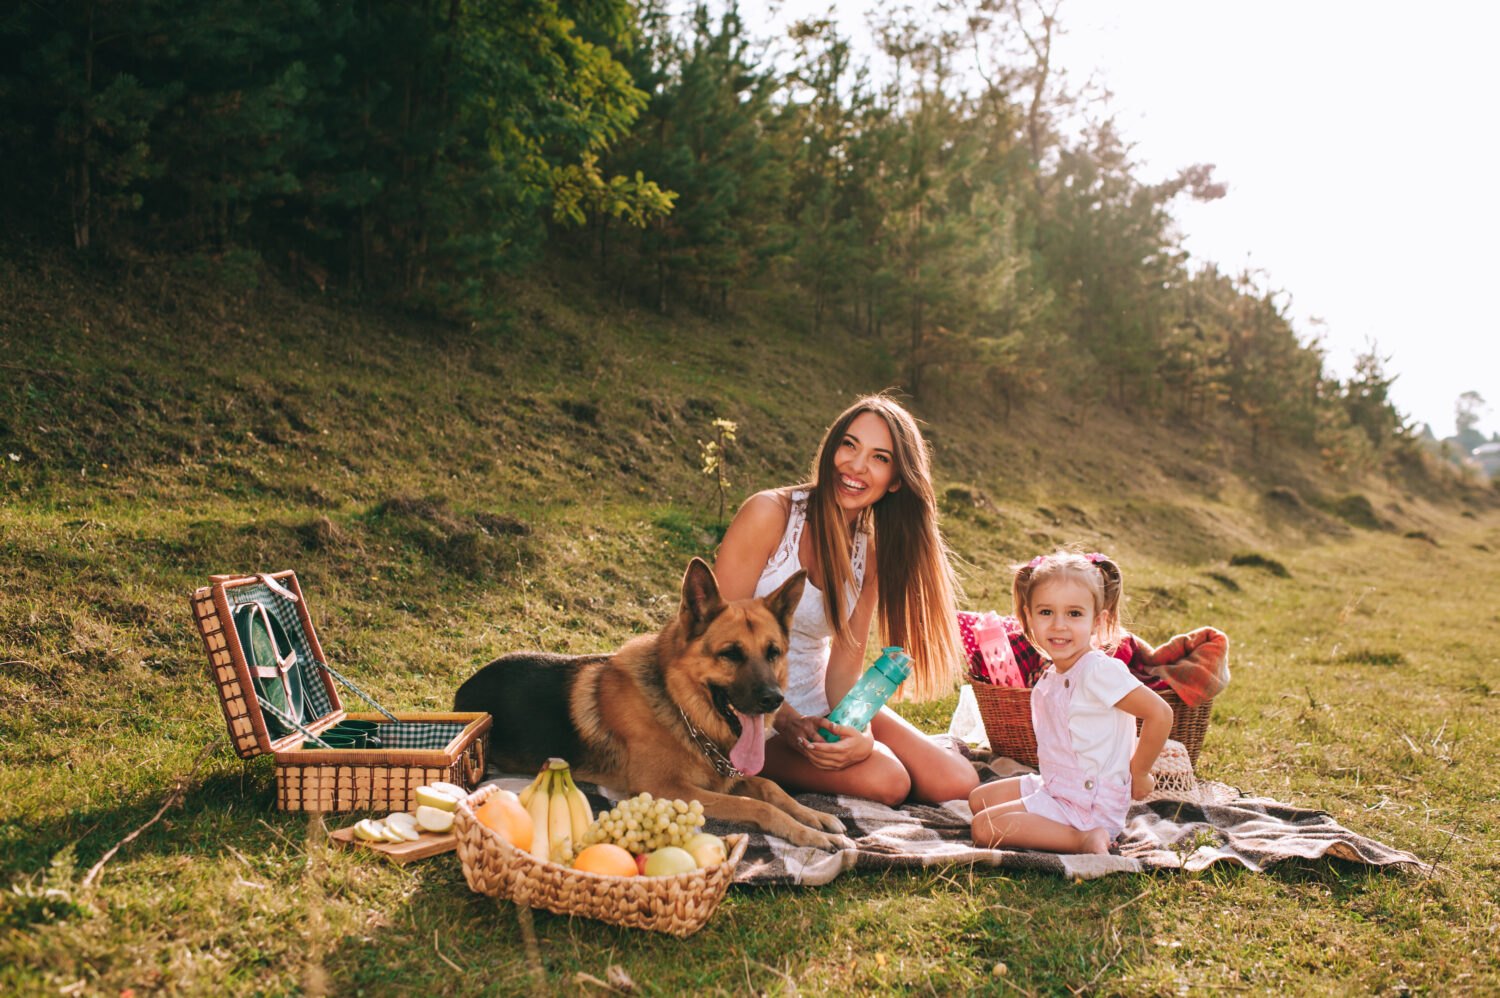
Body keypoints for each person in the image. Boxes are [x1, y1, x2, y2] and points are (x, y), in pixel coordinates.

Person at [712, 395, 979, 806]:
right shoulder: (770, 515)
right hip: (749, 704)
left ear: (895, 480)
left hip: (817, 702)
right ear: (831, 447)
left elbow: (844, 670)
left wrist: (862, 733)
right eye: (849, 445)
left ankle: (826, 753)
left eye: (879, 457)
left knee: (956, 780)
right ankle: (745, 762)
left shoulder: (868, 552)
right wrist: (785, 721)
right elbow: (716, 640)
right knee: (889, 780)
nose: (856, 466)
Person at [969, 551, 1173, 853]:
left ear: (1096, 622)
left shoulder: (1097, 669)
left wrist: (1138, 772)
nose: (1059, 625)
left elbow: (1160, 713)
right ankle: (1054, 820)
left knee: (983, 827)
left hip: (1089, 802)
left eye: (1074, 614)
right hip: (1060, 785)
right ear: (1028, 617)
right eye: (1046, 612)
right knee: (977, 800)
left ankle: (1084, 838)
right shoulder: (1054, 671)